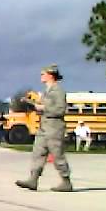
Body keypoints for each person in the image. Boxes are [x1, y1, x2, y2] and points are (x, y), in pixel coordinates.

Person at [16, 64, 72, 192]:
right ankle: (33, 179)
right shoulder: (47, 91)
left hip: (54, 126)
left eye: (43, 74)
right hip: (44, 125)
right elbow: (42, 107)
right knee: (38, 152)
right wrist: (30, 103)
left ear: (50, 75)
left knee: (57, 154)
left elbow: (60, 109)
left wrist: (43, 108)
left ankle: (66, 181)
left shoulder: (58, 91)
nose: (41, 76)